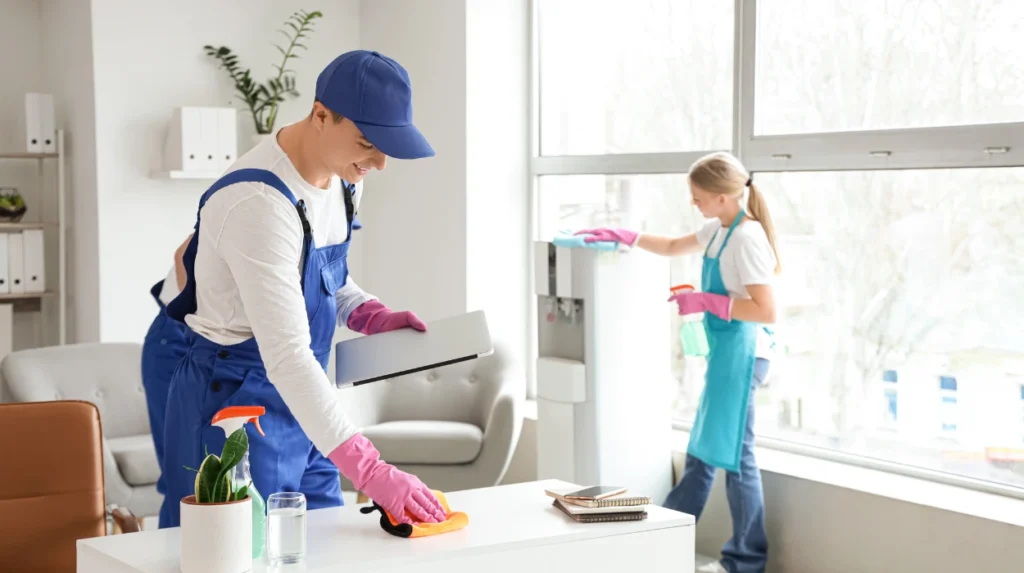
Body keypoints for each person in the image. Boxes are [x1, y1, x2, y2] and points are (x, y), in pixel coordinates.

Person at [158, 50, 447, 529]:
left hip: (301, 399)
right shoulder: (258, 203)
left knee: (328, 544)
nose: (378, 162)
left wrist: (367, 312)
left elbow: (323, 276)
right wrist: (370, 470)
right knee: (239, 551)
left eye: (386, 148)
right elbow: (287, 354)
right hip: (234, 399)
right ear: (320, 116)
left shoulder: (345, 178)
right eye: (366, 143)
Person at [575, 151, 780, 573]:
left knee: (733, 458)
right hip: (726, 354)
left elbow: (765, 310)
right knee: (704, 451)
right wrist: (625, 236)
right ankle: (661, 541)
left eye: (699, 196)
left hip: (745, 356)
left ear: (723, 197)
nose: (694, 203)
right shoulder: (720, 230)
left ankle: (744, 561)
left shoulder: (747, 238)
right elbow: (671, 245)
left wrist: (707, 300)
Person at [140, 234, 193, 498]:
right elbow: (184, 256)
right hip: (177, 336)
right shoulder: (233, 199)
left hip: (199, 338)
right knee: (183, 471)